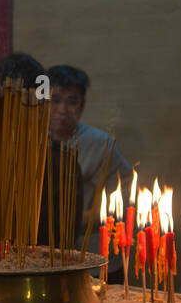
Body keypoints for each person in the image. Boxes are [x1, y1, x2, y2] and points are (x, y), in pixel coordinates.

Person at [46, 65, 132, 252]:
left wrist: (77, 220)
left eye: (71, 102)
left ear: (82, 105)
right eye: (55, 100)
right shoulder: (32, 140)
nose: (62, 109)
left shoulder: (101, 144)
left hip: (91, 252)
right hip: (44, 251)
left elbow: (124, 199)